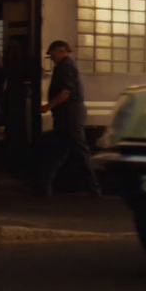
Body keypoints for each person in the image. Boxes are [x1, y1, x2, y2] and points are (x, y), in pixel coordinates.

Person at [36, 40, 101, 197]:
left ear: (59, 52)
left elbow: (66, 92)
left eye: (52, 55)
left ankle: (94, 188)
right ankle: (44, 187)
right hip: (66, 116)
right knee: (59, 151)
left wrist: (47, 106)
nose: (52, 59)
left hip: (70, 116)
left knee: (78, 151)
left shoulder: (65, 66)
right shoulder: (64, 66)